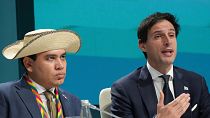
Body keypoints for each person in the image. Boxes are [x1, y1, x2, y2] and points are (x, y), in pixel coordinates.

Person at [111, 12, 210, 118]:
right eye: (158, 36)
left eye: (171, 35)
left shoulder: (196, 83)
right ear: (142, 45)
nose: (167, 41)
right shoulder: (124, 89)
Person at [0, 29, 81, 118]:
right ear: (28, 64)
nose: (60, 66)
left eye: (63, 57)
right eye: (51, 58)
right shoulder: (5, 95)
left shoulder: (73, 101)